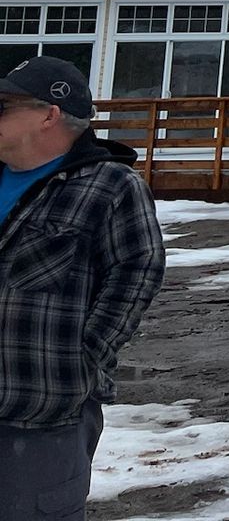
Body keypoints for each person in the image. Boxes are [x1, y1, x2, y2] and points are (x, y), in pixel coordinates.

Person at [0, 56, 166, 521]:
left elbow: (139, 270)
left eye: (2, 106)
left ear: (49, 114)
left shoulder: (109, 185)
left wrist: (84, 357)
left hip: (41, 411)